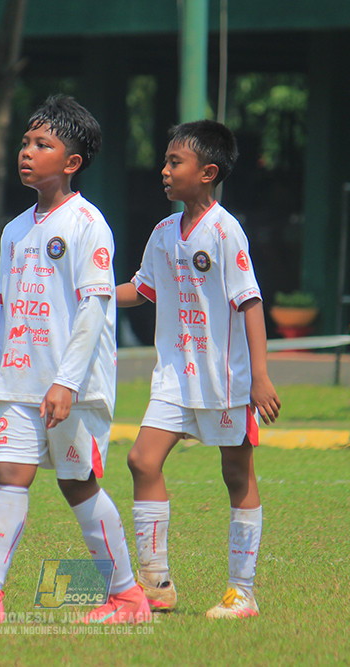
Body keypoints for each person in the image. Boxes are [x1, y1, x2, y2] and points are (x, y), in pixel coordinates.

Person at [0, 95, 150, 624]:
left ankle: (127, 597)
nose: (27, 151)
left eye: (42, 144)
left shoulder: (89, 224)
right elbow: (6, 313)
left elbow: (93, 310)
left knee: (77, 485)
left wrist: (66, 382)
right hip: (19, 386)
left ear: (72, 162)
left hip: (75, 388)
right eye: (25, 142)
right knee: (8, 475)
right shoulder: (14, 230)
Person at [115, 120, 281, 620]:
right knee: (142, 460)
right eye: (165, 161)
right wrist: (92, 292)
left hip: (224, 381)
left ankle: (242, 593)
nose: (164, 170)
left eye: (175, 162)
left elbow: (250, 302)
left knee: (236, 473)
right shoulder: (163, 233)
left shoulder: (226, 231)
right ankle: (157, 586)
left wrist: (260, 376)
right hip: (174, 377)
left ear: (207, 173)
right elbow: (142, 289)